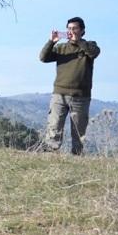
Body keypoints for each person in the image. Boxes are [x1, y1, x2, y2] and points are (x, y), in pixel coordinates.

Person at [39, 17, 100, 155]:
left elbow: (94, 53)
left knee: (79, 132)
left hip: (81, 97)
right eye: (69, 28)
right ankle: (50, 154)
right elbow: (43, 58)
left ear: (82, 31)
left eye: (74, 28)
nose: (71, 31)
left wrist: (79, 42)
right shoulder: (61, 48)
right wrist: (51, 42)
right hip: (59, 95)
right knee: (54, 127)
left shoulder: (90, 46)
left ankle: (77, 157)